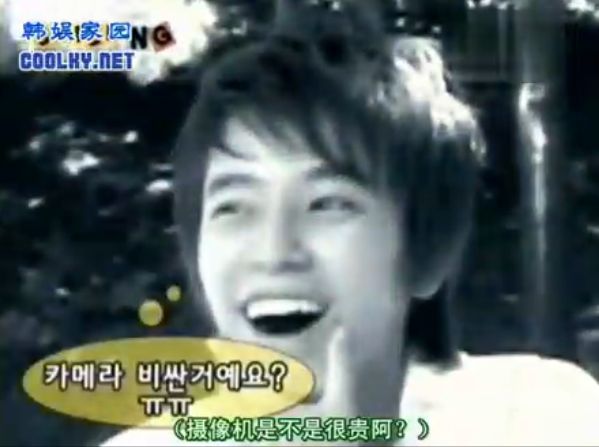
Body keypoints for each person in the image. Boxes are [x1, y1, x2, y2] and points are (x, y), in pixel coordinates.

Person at [101, 33, 599, 447]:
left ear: (429, 254)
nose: (274, 253)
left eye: (329, 204)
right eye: (234, 207)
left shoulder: (538, 419)